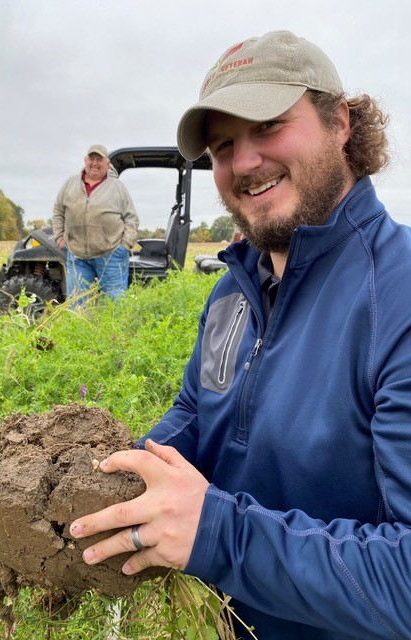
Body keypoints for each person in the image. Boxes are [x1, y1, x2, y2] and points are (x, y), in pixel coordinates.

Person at [69, 31, 411, 639]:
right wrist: (115, 477)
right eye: (224, 145)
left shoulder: (400, 294)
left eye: (269, 125)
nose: (244, 162)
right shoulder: (234, 288)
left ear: (341, 121)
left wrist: (217, 535)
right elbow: (199, 415)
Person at [52, 144, 139, 304]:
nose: (95, 163)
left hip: (111, 255)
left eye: (100, 159)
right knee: (77, 306)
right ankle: (80, 329)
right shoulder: (70, 184)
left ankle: (114, 330)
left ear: (107, 163)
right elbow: (58, 212)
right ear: (85, 160)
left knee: (115, 306)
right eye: (92, 158)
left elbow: (131, 219)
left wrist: (124, 246)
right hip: (77, 256)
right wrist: (59, 238)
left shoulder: (117, 188)